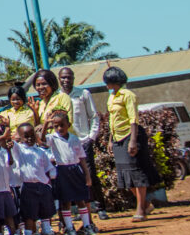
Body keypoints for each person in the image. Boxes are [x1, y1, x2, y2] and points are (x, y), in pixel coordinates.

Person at [104, 66, 160, 222]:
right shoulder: (111, 97)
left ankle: (140, 208)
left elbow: (133, 119)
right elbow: (111, 121)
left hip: (130, 136)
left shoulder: (128, 95)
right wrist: (110, 139)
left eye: (108, 81)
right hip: (117, 138)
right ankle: (146, 204)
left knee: (137, 174)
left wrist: (133, 141)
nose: (106, 84)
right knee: (126, 176)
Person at [57, 67, 105, 223]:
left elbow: (94, 116)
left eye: (69, 77)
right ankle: (80, 209)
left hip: (83, 141)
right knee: (72, 178)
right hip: (65, 143)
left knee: (89, 174)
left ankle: (100, 206)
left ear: (73, 78)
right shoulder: (57, 97)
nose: (66, 80)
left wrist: (91, 137)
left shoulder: (83, 94)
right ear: (59, 79)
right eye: (63, 77)